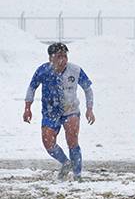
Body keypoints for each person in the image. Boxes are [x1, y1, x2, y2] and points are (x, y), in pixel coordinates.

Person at [23, 42, 96, 180]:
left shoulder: (75, 70)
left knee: (72, 140)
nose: (63, 60)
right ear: (51, 58)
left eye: (65, 56)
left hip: (71, 111)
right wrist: (27, 108)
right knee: (48, 143)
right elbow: (32, 87)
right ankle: (65, 162)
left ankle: (77, 175)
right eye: (59, 57)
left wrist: (89, 109)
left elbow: (88, 88)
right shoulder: (43, 70)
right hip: (50, 112)